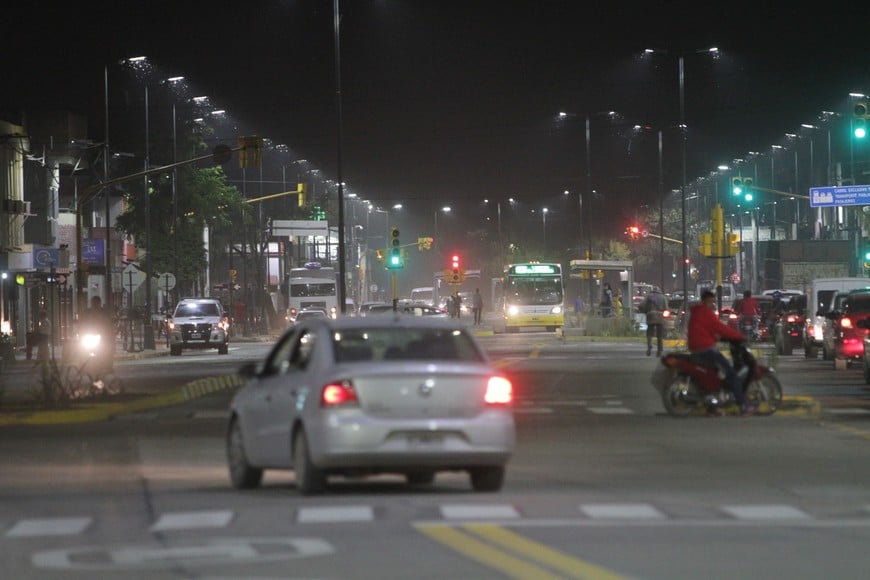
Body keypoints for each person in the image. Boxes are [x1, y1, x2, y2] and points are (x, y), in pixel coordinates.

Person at [688, 290, 756, 416]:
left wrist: (717, 338)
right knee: (731, 374)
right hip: (706, 350)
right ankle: (743, 406)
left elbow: (707, 330)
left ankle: (712, 408)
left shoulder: (697, 312)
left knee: (714, 377)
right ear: (704, 301)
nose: (713, 305)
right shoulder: (705, 313)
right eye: (711, 302)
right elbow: (720, 327)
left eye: (713, 302)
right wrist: (739, 336)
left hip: (697, 348)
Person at [640, 288, 667, 357]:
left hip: (650, 315)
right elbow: (666, 308)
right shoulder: (663, 297)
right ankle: (659, 350)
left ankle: (649, 345)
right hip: (660, 316)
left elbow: (642, 305)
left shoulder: (649, 296)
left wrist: (645, 311)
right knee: (660, 334)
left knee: (649, 332)